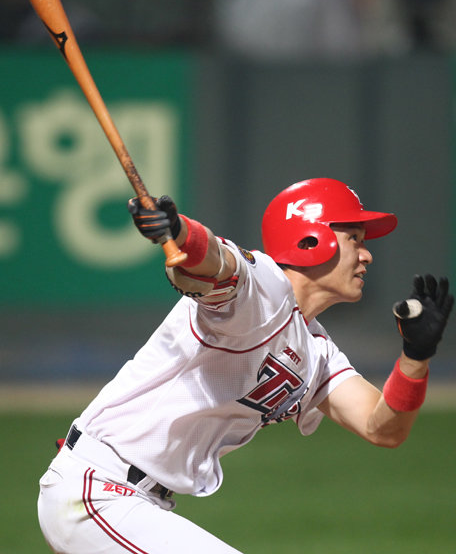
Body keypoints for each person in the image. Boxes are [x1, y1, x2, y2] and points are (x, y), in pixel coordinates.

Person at [37, 178, 453, 554]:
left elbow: (384, 428)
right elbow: (214, 264)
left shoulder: (317, 351)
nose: (367, 255)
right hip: (99, 491)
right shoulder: (264, 289)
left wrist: (415, 357)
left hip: (135, 502)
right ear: (312, 239)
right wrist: (179, 231)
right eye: (354, 238)